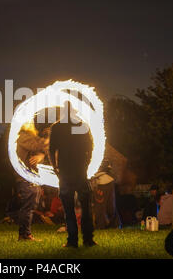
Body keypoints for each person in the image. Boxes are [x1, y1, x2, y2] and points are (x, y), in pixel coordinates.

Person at [49, 102, 95, 248]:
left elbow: (51, 150)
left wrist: (55, 168)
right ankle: (88, 240)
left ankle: (72, 241)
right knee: (86, 208)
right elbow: (90, 148)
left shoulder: (57, 127)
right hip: (80, 172)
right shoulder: (82, 126)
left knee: (69, 210)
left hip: (65, 173)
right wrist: (86, 164)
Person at [14, 121, 48, 241]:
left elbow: (39, 153)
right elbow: (37, 146)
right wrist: (47, 140)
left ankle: (25, 234)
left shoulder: (31, 138)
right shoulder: (23, 137)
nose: (31, 122)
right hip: (25, 178)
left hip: (32, 177)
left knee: (30, 206)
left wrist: (42, 156)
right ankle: (24, 235)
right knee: (27, 207)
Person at [91, 159, 121, 229]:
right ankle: (115, 224)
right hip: (106, 180)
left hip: (102, 182)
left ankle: (102, 225)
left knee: (101, 205)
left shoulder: (97, 156)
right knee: (109, 205)